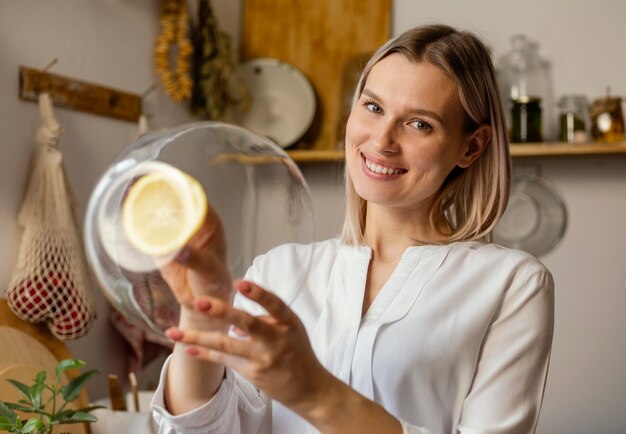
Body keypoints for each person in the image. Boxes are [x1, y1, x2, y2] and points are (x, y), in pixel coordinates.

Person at [151, 24, 554, 434]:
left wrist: (315, 393)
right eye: (374, 108)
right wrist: (200, 314)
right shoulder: (277, 273)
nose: (382, 141)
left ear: (471, 147)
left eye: (419, 124)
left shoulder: (511, 284)